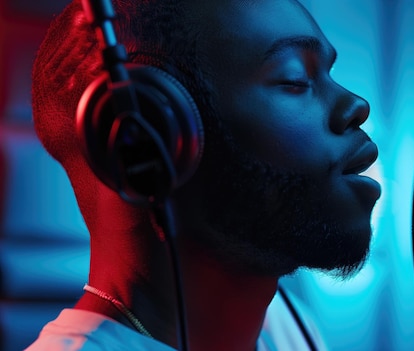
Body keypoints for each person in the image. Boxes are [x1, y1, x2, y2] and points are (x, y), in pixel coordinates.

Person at [26, 0, 381, 350]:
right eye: (295, 79)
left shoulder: (287, 329)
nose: (355, 105)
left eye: (328, 74)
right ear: (151, 136)